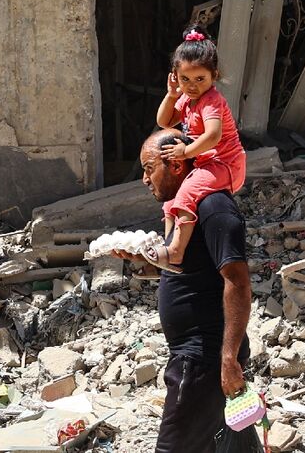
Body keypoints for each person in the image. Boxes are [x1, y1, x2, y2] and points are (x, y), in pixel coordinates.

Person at [113, 129, 252, 453]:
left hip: (205, 359)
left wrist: (228, 359)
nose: (145, 180)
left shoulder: (214, 207)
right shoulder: (184, 211)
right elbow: (187, 268)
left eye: (149, 169)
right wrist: (141, 258)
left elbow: (238, 282)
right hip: (196, 357)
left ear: (176, 166)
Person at [150, 25, 246, 271]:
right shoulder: (187, 97)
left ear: (214, 75)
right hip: (203, 162)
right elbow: (164, 121)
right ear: (176, 76)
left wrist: (185, 152)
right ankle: (169, 243)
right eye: (185, 79)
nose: (192, 86)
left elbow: (213, 135)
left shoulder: (211, 100)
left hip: (224, 164)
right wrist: (172, 95)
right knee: (171, 197)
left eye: (200, 79)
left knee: (186, 193)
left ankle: (175, 252)